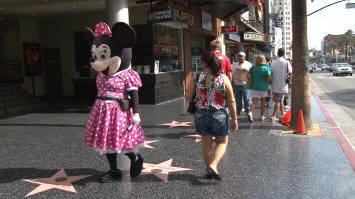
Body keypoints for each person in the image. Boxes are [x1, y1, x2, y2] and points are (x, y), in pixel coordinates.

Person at [185, 52, 238, 181]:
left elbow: (187, 97)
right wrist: (234, 119)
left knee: (206, 143)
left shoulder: (196, 77)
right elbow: (231, 100)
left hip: (201, 114)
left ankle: (208, 170)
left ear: (204, 63)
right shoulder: (223, 78)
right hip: (219, 114)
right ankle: (213, 165)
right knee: (222, 142)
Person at [270, 48, 292, 121]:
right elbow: (290, 73)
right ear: (284, 54)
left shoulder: (273, 62)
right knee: (278, 101)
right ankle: (273, 116)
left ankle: (282, 114)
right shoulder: (286, 62)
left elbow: (271, 74)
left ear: (277, 53)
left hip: (275, 85)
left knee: (280, 100)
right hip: (283, 85)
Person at [248, 55, 272, 122]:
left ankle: (251, 112)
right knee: (263, 103)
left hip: (254, 87)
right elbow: (269, 78)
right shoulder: (265, 68)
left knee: (254, 103)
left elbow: (248, 75)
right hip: (263, 88)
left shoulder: (253, 67)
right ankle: (262, 116)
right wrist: (267, 82)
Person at [232, 52, 252, 117]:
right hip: (236, 84)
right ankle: (238, 111)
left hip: (245, 84)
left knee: (247, 99)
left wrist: (246, 71)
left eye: (241, 56)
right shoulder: (234, 64)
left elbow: (251, 74)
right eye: (239, 56)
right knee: (238, 99)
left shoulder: (248, 64)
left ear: (244, 57)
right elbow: (232, 74)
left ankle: (248, 111)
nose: (240, 58)